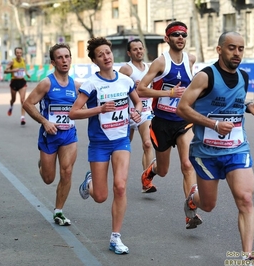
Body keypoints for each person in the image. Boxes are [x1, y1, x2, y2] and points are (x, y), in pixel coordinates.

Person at [176, 31, 254, 261]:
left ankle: (247, 254)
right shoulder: (205, 76)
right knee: (207, 205)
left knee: (245, 198)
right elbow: (182, 108)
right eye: (231, 48)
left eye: (240, 48)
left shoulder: (244, 77)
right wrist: (214, 124)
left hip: (237, 148)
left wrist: (248, 106)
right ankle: (192, 199)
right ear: (219, 50)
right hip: (206, 153)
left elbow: (233, 105)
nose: (237, 53)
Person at [69, 37, 142, 255]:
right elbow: (74, 112)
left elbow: (137, 101)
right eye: (100, 55)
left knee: (120, 186)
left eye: (108, 53)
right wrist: (98, 110)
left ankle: (115, 237)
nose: (106, 57)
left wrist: (136, 110)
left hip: (121, 140)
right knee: (100, 196)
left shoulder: (125, 81)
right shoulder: (91, 85)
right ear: (94, 60)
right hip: (99, 143)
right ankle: (90, 181)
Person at [136, 21, 202, 229]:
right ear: (167, 39)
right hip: (162, 122)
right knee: (163, 170)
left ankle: (190, 212)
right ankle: (149, 173)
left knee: (187, 164)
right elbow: (141, 89)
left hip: (183, 120)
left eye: (183, 34)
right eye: (175, 34)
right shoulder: (160, 63)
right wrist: (169, 93)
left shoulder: (190, 59)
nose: (180, 37)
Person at [23, 43, 80, 226]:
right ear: (53, 61)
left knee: (67, 171)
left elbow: (92, 104)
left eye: (67, 56)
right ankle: (43, 165)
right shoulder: (47, 83)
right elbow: (28, 104)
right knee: (48, 179)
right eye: (60, 57)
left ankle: (58, 211)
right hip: (49, 136)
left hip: (69, 135)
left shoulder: (76, 85)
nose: (64, 60)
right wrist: (45, 122)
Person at [118, 39, 155, 173]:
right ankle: (118, 174)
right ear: (129, 52)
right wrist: (133, 87)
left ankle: (147, 180)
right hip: (128, 114)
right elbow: (117, 90)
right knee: (122, 148)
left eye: (140, 48)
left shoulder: (150, 68)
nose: (138, 51)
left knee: (147, 144)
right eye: (135, 49)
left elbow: (156, 87)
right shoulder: (126, 69)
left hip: (145, 113)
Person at [4, 47, 31, 125]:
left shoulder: (23, 60)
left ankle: (22, 117)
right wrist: (13, 70)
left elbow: (24, 69)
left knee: (23, 100)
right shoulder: (12, 62)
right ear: (15, 53)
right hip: (14, 82)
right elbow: (5, 71)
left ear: (22, 53)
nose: (19, 54)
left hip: (22, 82)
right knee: (13, 99)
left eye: (20, 53)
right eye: (17, 53)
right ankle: (11, 106)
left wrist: (27, 74)